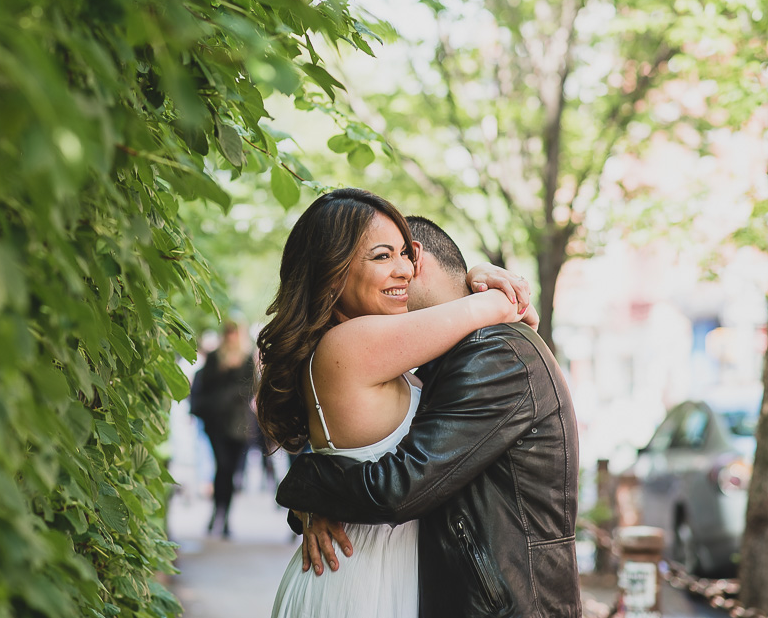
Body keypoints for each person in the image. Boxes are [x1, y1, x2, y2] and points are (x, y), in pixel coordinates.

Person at [276, 215, 582, 618]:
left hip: (508, 605)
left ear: (415, 259)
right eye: (381, 257)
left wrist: (305, 485)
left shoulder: (494, 353)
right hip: (397, 586)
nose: (397, 271)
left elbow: (401, 486)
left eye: (399, 255)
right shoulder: (438, 357)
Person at [190, 318, 255, 537]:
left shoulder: (247, 358)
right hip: (216, 423)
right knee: (223, 467)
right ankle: (218, 513)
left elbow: (250, 388)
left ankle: (223, 514)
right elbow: (204, 384)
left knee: (231, 471)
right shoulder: (215, 357)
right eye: (228, 332)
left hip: (238, 426)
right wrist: (222, 370)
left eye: (234, 332)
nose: (231, 337)